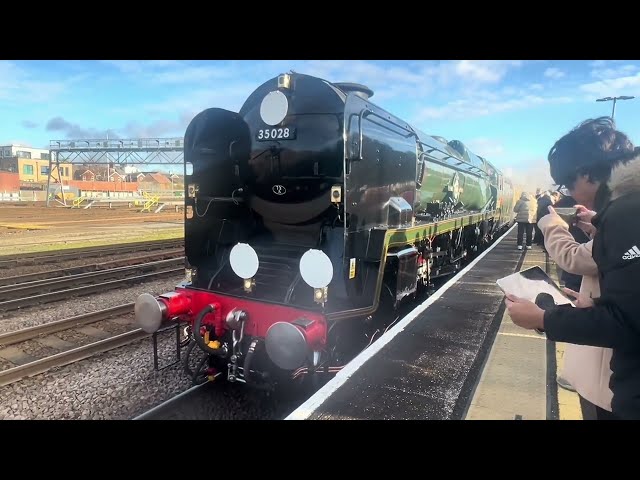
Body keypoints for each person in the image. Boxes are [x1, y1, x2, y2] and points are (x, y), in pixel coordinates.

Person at [506, 117, 640, 420]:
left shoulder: (627, 212)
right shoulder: (626, 208)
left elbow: (626, 324)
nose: (570, 192)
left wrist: (543, 318)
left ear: (586, 173)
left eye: (569, 183)